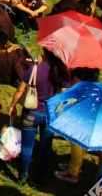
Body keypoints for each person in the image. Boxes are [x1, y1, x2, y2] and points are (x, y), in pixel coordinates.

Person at [8, 50, 67, 185]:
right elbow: (66, 92)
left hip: (31, 114)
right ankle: (42, 177)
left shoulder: (34, 70)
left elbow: (20, 90)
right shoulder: (61, 71)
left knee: (27, 147)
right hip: (50, 114)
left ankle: (23, 176)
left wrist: (12, 105)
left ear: (45, 54)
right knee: (46, 147)